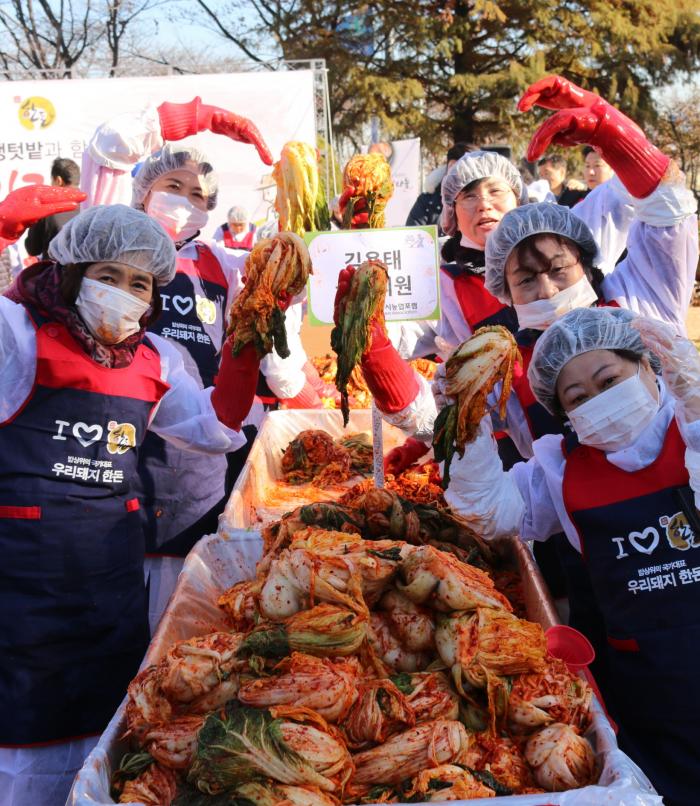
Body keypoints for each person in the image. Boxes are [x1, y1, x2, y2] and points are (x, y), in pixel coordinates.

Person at [0, 197, 262, 804]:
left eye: (138, 283)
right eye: (107, 276)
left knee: (106, 748)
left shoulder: (155, 360)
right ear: (72, 274)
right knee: (22, 754)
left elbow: (215, 424)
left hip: (108, 588)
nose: (122, 292)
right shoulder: (17, 336)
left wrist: (248, 339)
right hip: (23, 590)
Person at [443, 305, 700, 805]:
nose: (599, 400)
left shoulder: (690, 429)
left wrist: (693, 393)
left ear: (648, 366)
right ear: (564, 412)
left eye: (610, 380)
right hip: (649, 692)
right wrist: (465, 423)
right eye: (578, 397)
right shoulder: (561, 470)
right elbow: (487, 512)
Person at [405, 142, 474, 229]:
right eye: (453, 168)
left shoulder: (484, 204)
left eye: (463, 169)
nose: (456, 174)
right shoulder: (426, 203)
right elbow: (412, 234)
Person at [24, 158, 82, 259]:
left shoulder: (47, 209)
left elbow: (33, 249)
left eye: (52, 180)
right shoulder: (90, 204)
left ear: (59, 180)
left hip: (56, 267)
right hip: (86, 267)